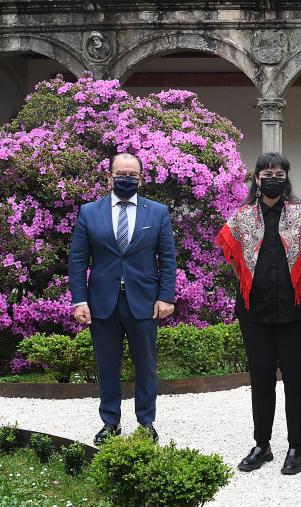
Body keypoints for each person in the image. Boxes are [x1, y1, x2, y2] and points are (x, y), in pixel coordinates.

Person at [216, 152, 301, 475]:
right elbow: (234, 258)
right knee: (261, 379)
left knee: (296, 380)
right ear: (256, 177)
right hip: (255, 313)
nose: (272, 176)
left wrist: (298, 283)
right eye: (267, 172)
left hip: (295, 312)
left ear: (286, 177)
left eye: (279, 172)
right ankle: (262, 444)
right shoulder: (241, 217)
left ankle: (296, 445)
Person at [68, 152, 176, 445]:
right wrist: (79, 300)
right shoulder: (89, 212)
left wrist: (166, 296)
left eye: (133, 175)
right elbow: (78, 261)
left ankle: (146, 422)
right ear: (109, 177)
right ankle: (110, 423)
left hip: (143, 301)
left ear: (141, 178)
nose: (127, 179)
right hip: (103, 302)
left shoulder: (158, 212)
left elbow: (167, 259)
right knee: (107, 365)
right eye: (121, 174)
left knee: (146, 365)